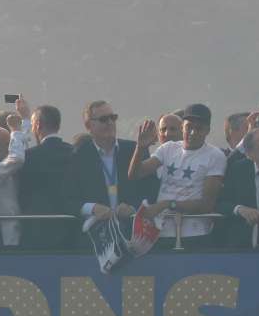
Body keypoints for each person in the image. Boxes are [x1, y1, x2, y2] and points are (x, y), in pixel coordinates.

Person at [129, 103, 227, 249]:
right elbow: (135, 175)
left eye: (198, 128)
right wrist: (140, 148)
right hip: (160, 233)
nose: (192, 132)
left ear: (207, 130)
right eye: (189, 127)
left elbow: (207, 205)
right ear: (182, 127)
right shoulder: (168, 148)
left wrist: (167, 204)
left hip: (195, 235)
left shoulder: (215, 156)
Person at [64, 100, 145, 250]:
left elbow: (150, 189)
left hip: (132, 236)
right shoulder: (76, 157)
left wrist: (133, 207)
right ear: (89, 126)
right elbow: (67, 200)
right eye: (103, 119)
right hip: (94, 240)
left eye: (112, 118)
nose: (109, 123)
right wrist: (92, 208)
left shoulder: (134, 150)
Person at [18, 104, 75, 250]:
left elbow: (22, 192)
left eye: (31, 124)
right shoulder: (74, 153)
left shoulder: (29, 156)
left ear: (37, 125)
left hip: (37, 230)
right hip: (70, 227)